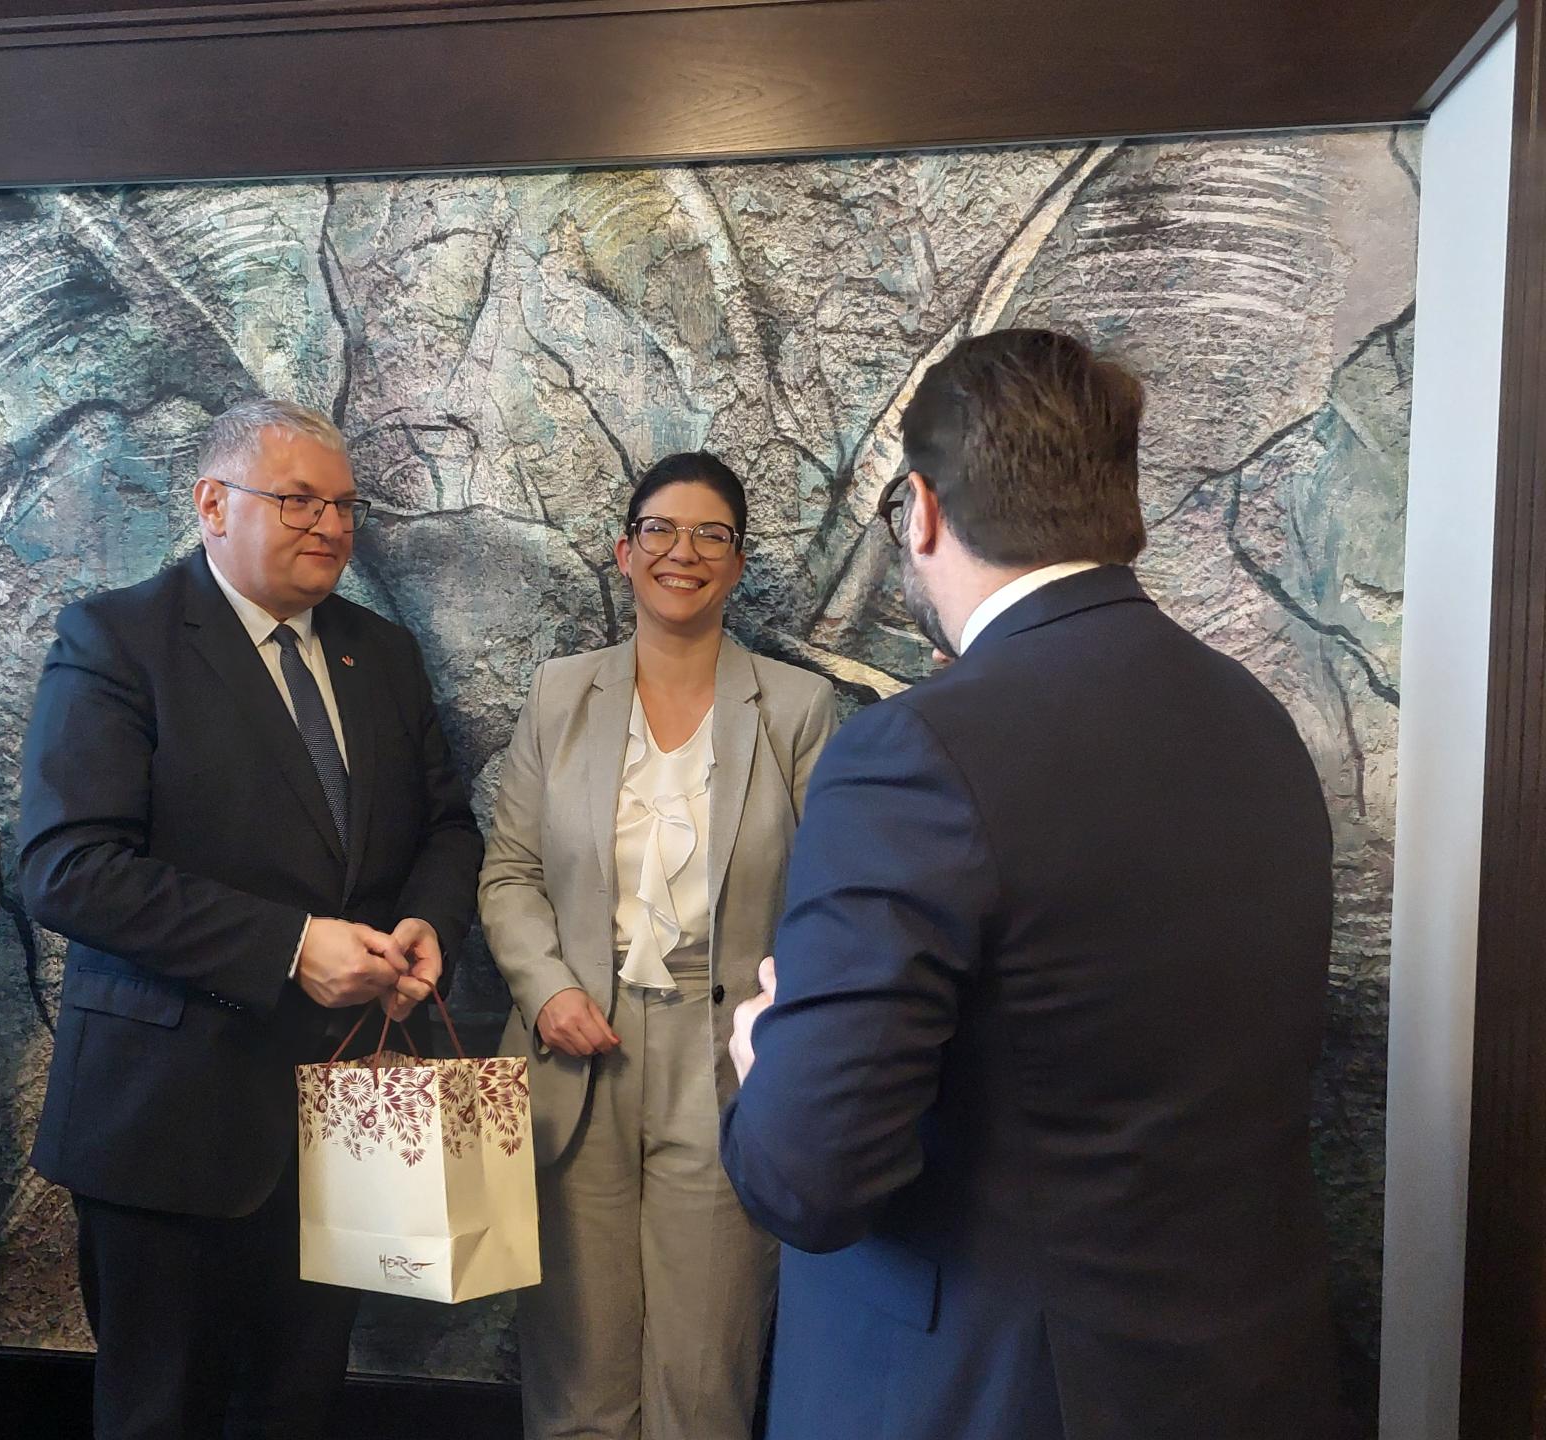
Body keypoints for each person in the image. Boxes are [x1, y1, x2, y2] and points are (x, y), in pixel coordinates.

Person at [721, 329, 1344, 1440]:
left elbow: (808, 1178)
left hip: (987, 1392)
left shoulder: (913, 753)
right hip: (1243, 1373)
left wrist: (769, 1057)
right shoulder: (1257, 723)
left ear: (921, 510)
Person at [18, 398, 483, 1440]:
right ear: (212, 504)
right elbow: (68, 869)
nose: (331, 526)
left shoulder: (382, 652)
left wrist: (428, 926)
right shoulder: (116, 639)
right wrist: (290, 947)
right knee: (160, 1415)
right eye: (300, 501)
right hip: (167, 1126)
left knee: (298, 1406)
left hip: (344, 1120)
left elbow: (448, 829)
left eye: (345, 507)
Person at [480, 452, 838, 1440]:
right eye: (661, 530)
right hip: (573, 1050)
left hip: (723, 1062)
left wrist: (778, 1028)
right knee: (577, 1375)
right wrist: (548, 989)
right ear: (624, 551)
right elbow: (510, 872)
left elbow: (829, 900)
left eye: (711, 534)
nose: (684, 551)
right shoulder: (560, 695)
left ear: (738, 562)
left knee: (703, 1373)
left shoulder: (797, 710)